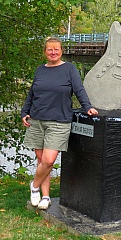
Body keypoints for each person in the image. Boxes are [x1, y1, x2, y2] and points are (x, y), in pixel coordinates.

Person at [21, 37, 98, 210]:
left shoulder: (70, 69)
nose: (53, 52)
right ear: (45, 52)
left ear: (61, 51)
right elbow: (32, 94)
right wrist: (24, 112)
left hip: (59, 121)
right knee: (41, 160)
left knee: (48, 160)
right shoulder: (40, 70)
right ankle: (45, 196)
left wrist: (87, 107)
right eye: (50, 49)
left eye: (56, 49)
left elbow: (79, 90)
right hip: (37, 119)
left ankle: (34, 186)